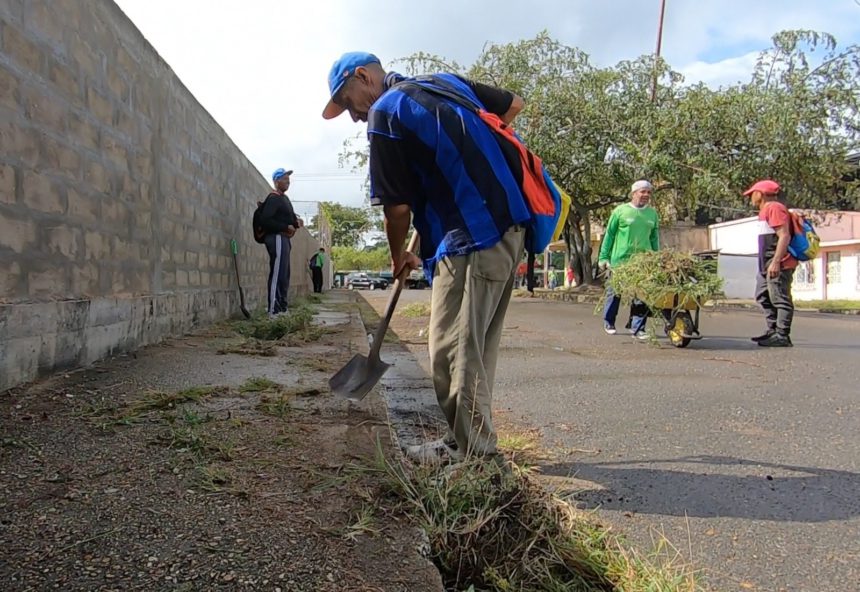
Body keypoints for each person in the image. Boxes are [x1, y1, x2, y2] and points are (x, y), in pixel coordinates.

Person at [322, 51, 527, 465]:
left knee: (451, 355)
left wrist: (399, 255)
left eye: (347, 102)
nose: (353, 116)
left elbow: (396, 210)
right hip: (508, 227)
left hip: (473, 236)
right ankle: (466, 444)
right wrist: (467, 158)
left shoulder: (385, 112)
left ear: (363, 77)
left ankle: (481, 465)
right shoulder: (443, 84)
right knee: (474, 353)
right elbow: (512, 105)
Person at [597, 180, 660, 339]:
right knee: (615, 293)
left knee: (642, 295)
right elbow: (609, 235)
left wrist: (656, 257)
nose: (646, 195)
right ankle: (609, 321)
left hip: (643, 261)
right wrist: (603, 257)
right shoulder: (620, 211)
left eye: (648, 192)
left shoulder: (652, 214)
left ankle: (637, 328)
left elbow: (654, 238)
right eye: (642, 191)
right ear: (634, 193)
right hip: (620, 261)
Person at [744, 179, 796, 347]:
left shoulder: (774, 208)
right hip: (766, 263)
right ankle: (772, 330)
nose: (751, 197)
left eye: (753, 193)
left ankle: (782, 334)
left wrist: (776, 262)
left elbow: (784, 235)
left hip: (778, 263)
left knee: (780, 297)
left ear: (761, 194)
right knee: (762, 295)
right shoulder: (765, 210)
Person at [259, 168, 302, 316]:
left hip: (284, 239)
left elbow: (288, 219)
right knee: (277, 273)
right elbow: (265, 220)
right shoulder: (274, 198)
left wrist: (296, 223)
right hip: (276, 237)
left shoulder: (285, 199)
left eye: (288, 179)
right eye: (284, 179)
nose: (288, 182)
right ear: (276, 181)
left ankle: (283, 307)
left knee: (284, 274)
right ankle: (273, 310)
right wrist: (285, 227)